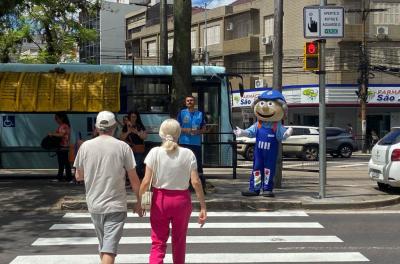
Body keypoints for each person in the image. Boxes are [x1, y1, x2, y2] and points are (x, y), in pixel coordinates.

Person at [73, 111, 144, 264]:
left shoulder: (85, 146)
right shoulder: (123, 147)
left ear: (97, 127)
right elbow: (134, 179)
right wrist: (139, 202)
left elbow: (78, 176)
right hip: (116, 205)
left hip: (94, 204)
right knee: (109, 250)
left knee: (104, 247)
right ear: (114, 127)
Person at [139, 118, 207, 264]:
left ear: (161, 134)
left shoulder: (154, 152)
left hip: (159, 200)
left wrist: (139, 202)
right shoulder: (188, 154)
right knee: (179, 241)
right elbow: (195, 181)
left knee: (158, 242)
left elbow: (145, 182)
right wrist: (203, 206)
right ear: (179, 133)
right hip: (182, 200)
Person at [177, 95, 207, 191]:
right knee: (183, 164)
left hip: (196, 143)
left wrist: (199, 131)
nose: (189, 102)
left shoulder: (200, 114)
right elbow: (177, 127)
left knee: (197, 164)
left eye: (191, 100)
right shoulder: (182, 113)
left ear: (194, 102)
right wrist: (185, 129)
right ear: (185, 103)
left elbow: (204, 128)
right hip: (184, 142)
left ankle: (198, 186)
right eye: (188, 101)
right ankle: (182, 185)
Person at [120, 111, 147, 179]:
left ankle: (137, 179)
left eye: (134, 117)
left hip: (138, 149)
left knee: (137, 165)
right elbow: (121, 138)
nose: (133, 118)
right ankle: (131, 180)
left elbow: (144, 137)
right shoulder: (126, 127)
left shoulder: (140, 126)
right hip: (129, 148)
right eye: (132, 117)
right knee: (129, 166)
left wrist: (137, 132)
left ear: (137, 117)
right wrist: (128, 132)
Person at [49, 112, 72, 182]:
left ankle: (67, 177)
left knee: (64, 163)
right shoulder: (63, 126)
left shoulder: (64, 126)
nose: (56, 120)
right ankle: (62, 177)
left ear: (61, 118)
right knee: (62, 163)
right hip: (62, 147)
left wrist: (52, 134)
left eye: (56, 118)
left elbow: (61, 135)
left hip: (63, 147)